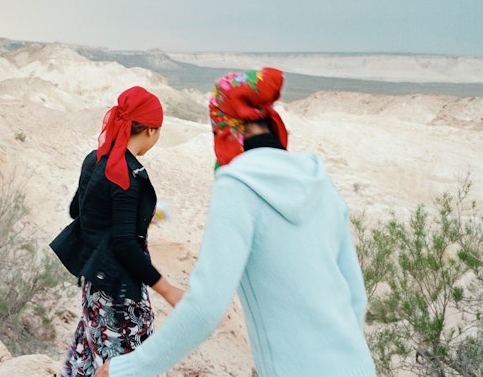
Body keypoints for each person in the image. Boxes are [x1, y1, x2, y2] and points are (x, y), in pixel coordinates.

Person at [96, 68, 376, 377]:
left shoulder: (237, 187)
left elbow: (206, 307)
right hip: (357, 365)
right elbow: (356, 297)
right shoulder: (321, 182)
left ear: (223, 130)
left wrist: (130, 369)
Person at [50, 85, 183, 377]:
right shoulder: (128, 176)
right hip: (119, 290)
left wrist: (132, 218)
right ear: (150, 130)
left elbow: (78, 211)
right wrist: (169, 290)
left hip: (94, 284)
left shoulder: (95, 158)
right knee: (130, 361)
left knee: (92, 348)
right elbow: (125, 246)